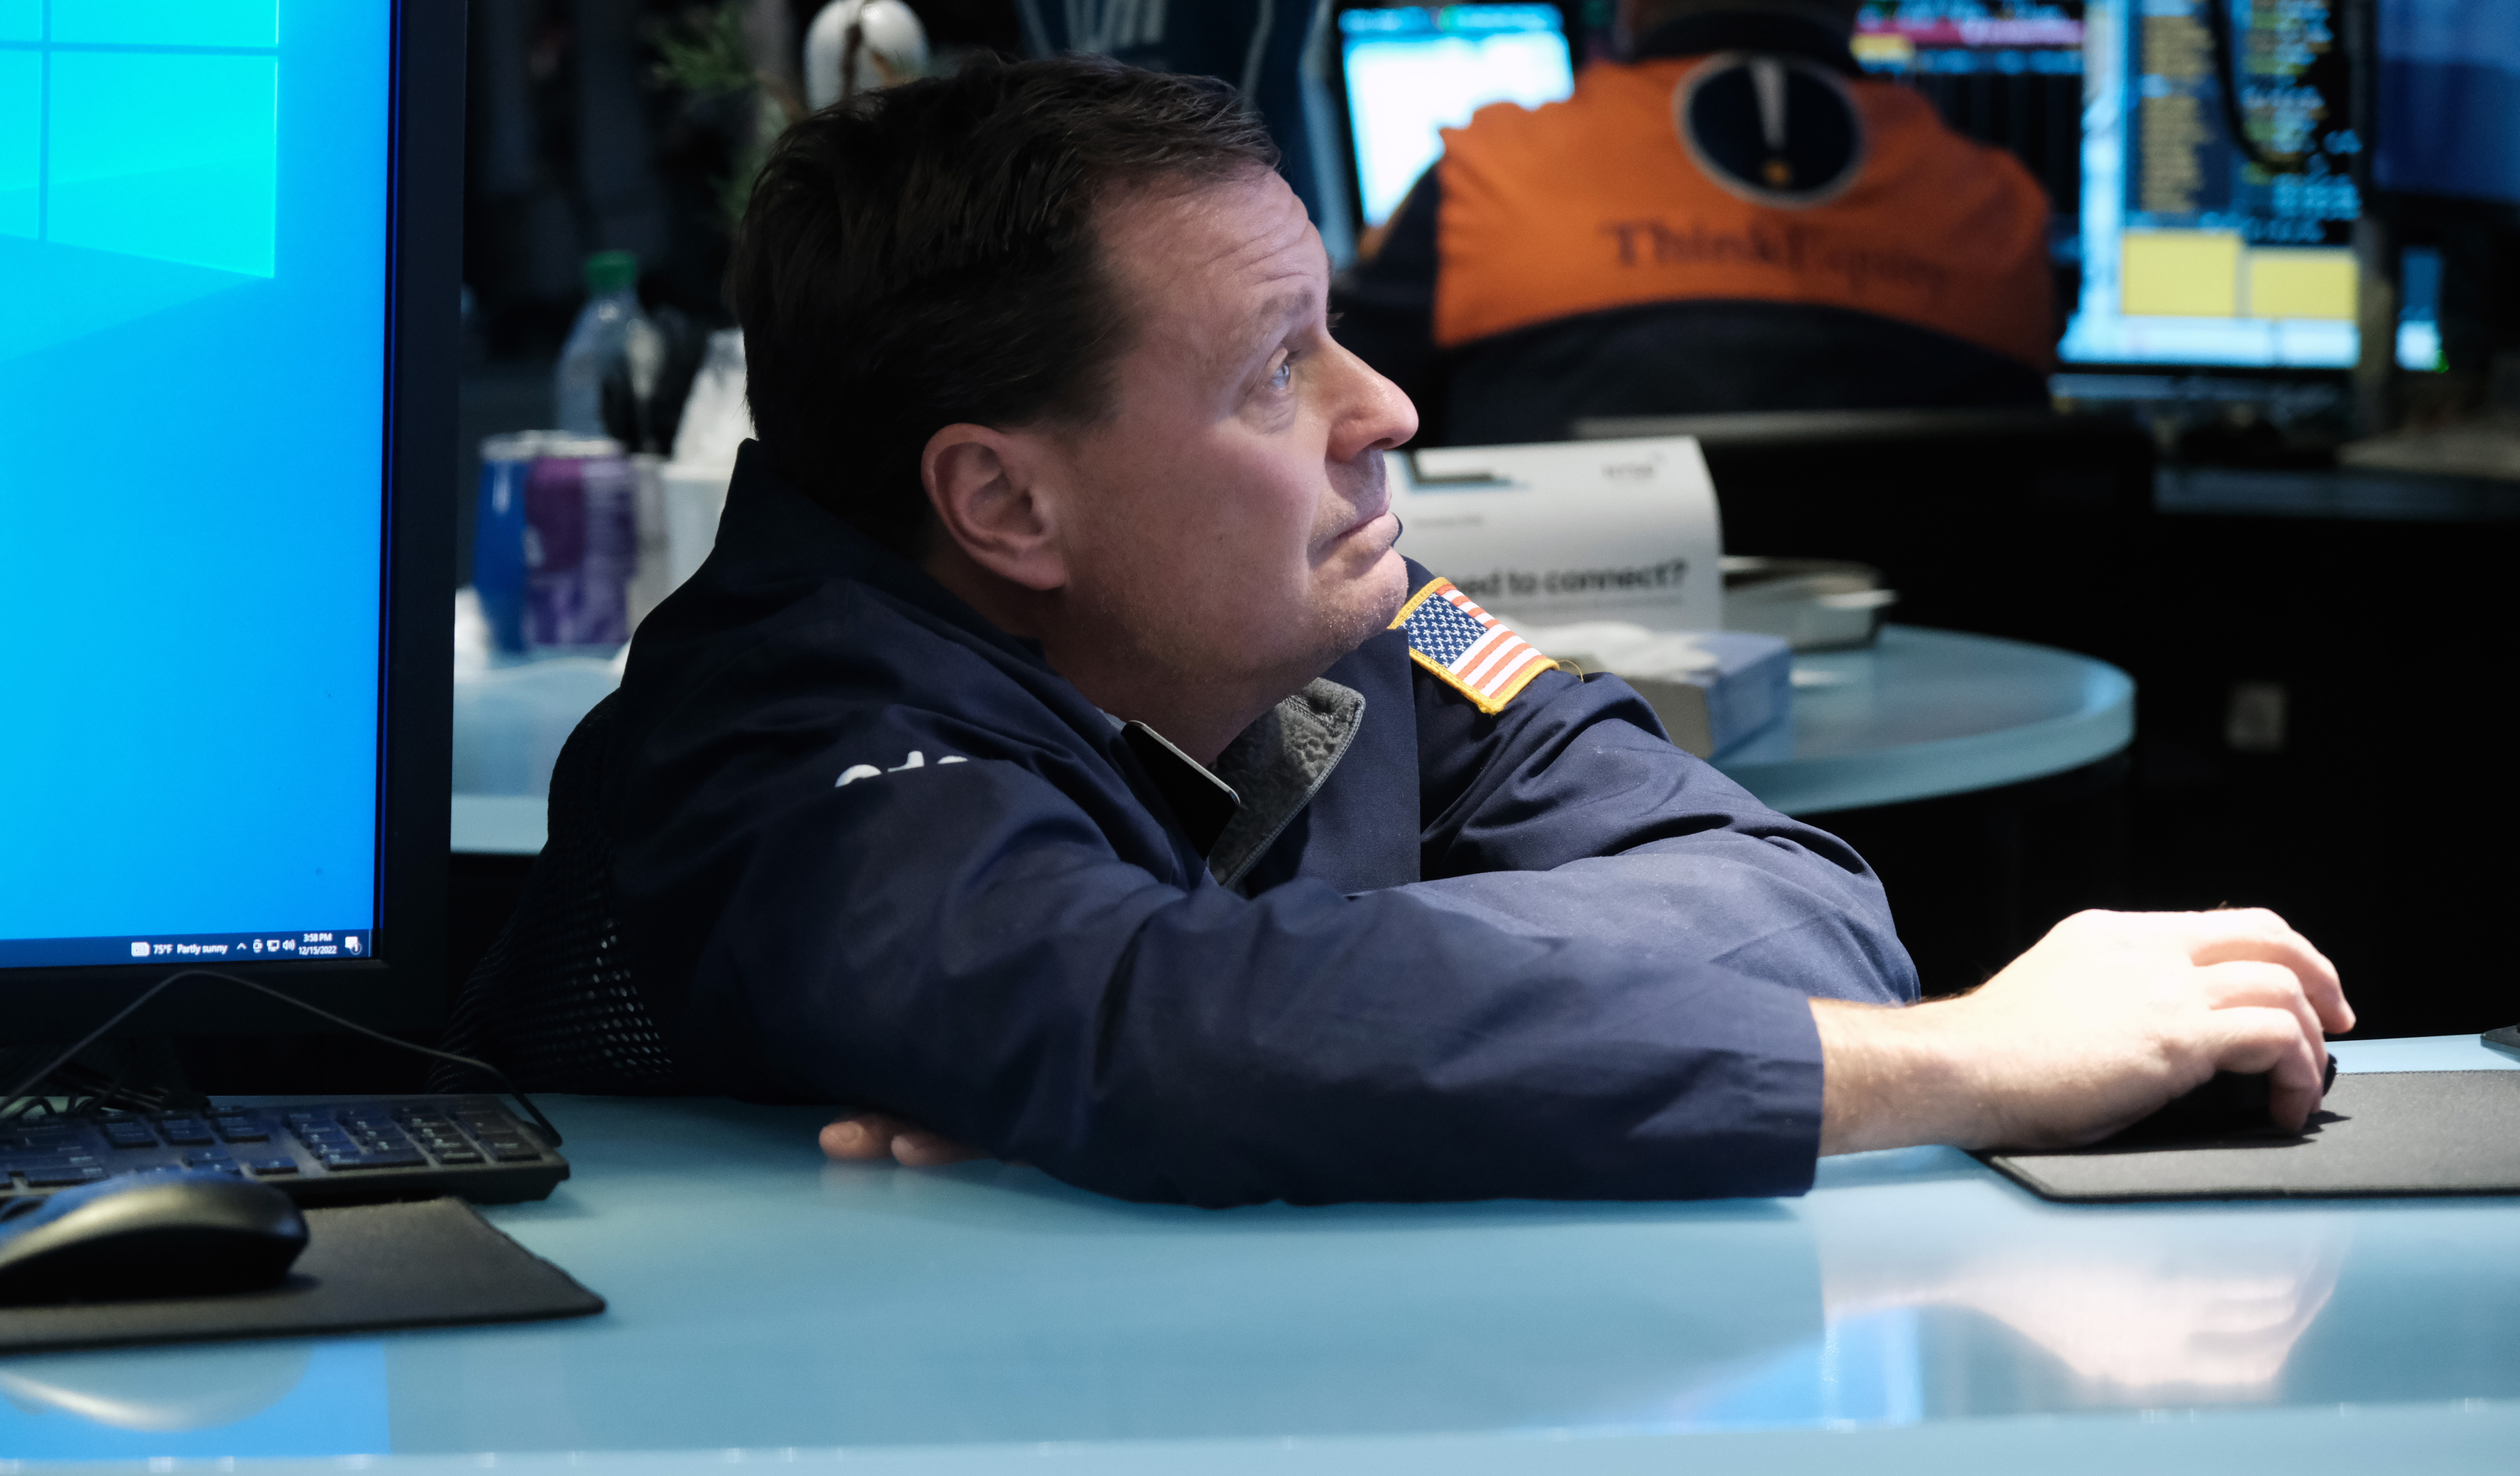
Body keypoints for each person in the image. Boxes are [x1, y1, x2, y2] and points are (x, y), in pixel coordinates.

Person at [464, 56, 2348, 1207]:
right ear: (1005, 504)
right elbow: (1164, 1034)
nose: (1385, 411)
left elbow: (1799, 903)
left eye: (1338, 330)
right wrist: (1954, 1064)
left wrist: (1262, 1044)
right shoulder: (783, 730)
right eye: (1274, 369)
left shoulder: (1316, 606)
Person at [1333, 0, 2060, 444]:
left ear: (1632, 8)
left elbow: (1336, 423)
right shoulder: (2002, 210)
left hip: (1551, 657)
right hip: (1946, 653)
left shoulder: (1485, 177)